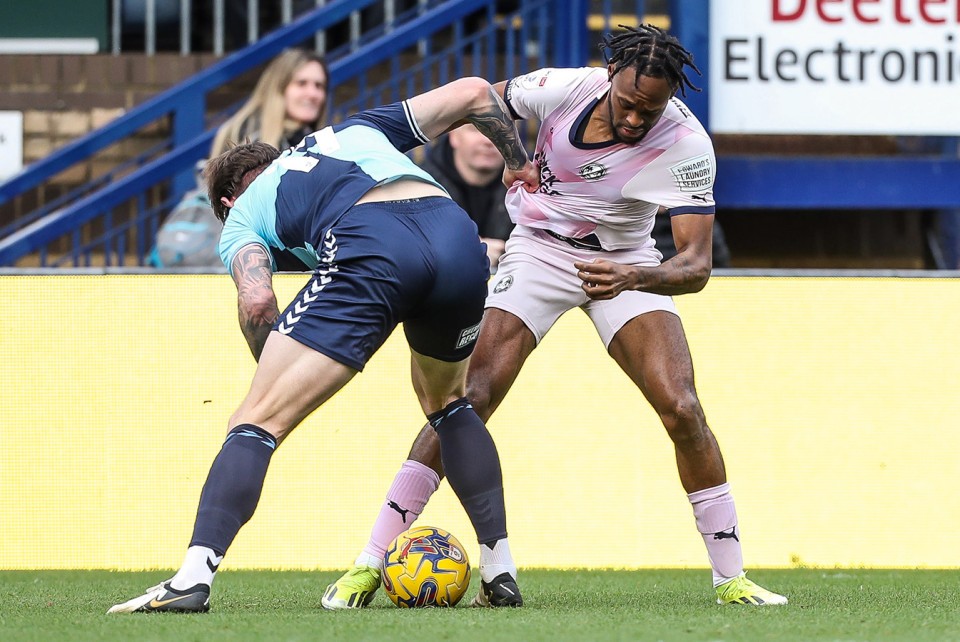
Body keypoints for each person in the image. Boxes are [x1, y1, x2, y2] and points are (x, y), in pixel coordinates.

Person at [325, 24, 788, 608]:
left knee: (682, 407)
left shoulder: (687, 145)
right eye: (627, 103)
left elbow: (696, 265)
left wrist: (636, 275)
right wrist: (516, 157)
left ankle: (732, 579)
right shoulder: (562, 87)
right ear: (610, 77)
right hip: (538, 248)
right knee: (471, 398)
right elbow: (481, 102)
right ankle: (369, 564)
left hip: (626, 262)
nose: (635, 120)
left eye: (652, 109)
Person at [108, 75, 539, 614]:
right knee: (449, 405)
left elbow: (258, 301)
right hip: (457, 236)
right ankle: (500, 571)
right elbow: (477, 92)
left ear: (227, 197)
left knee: (255, 421)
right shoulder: (354, 129)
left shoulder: (243, 211)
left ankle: (192, 578)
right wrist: (518, 161)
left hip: (371, 241)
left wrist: (275, 371)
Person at [150, 49, 328, 268]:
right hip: (248, 258)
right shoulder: (248, 135)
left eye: (319, 86)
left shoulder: (310, 138)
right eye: (302, 83)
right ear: (279, 88)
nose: (313, 93)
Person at [418, 124, 514, 271]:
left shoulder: (532, 187)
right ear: (454, 136)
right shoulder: (419, 187)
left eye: (500, 130)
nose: (488, 141)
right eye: (477, 129)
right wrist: (469, 252)